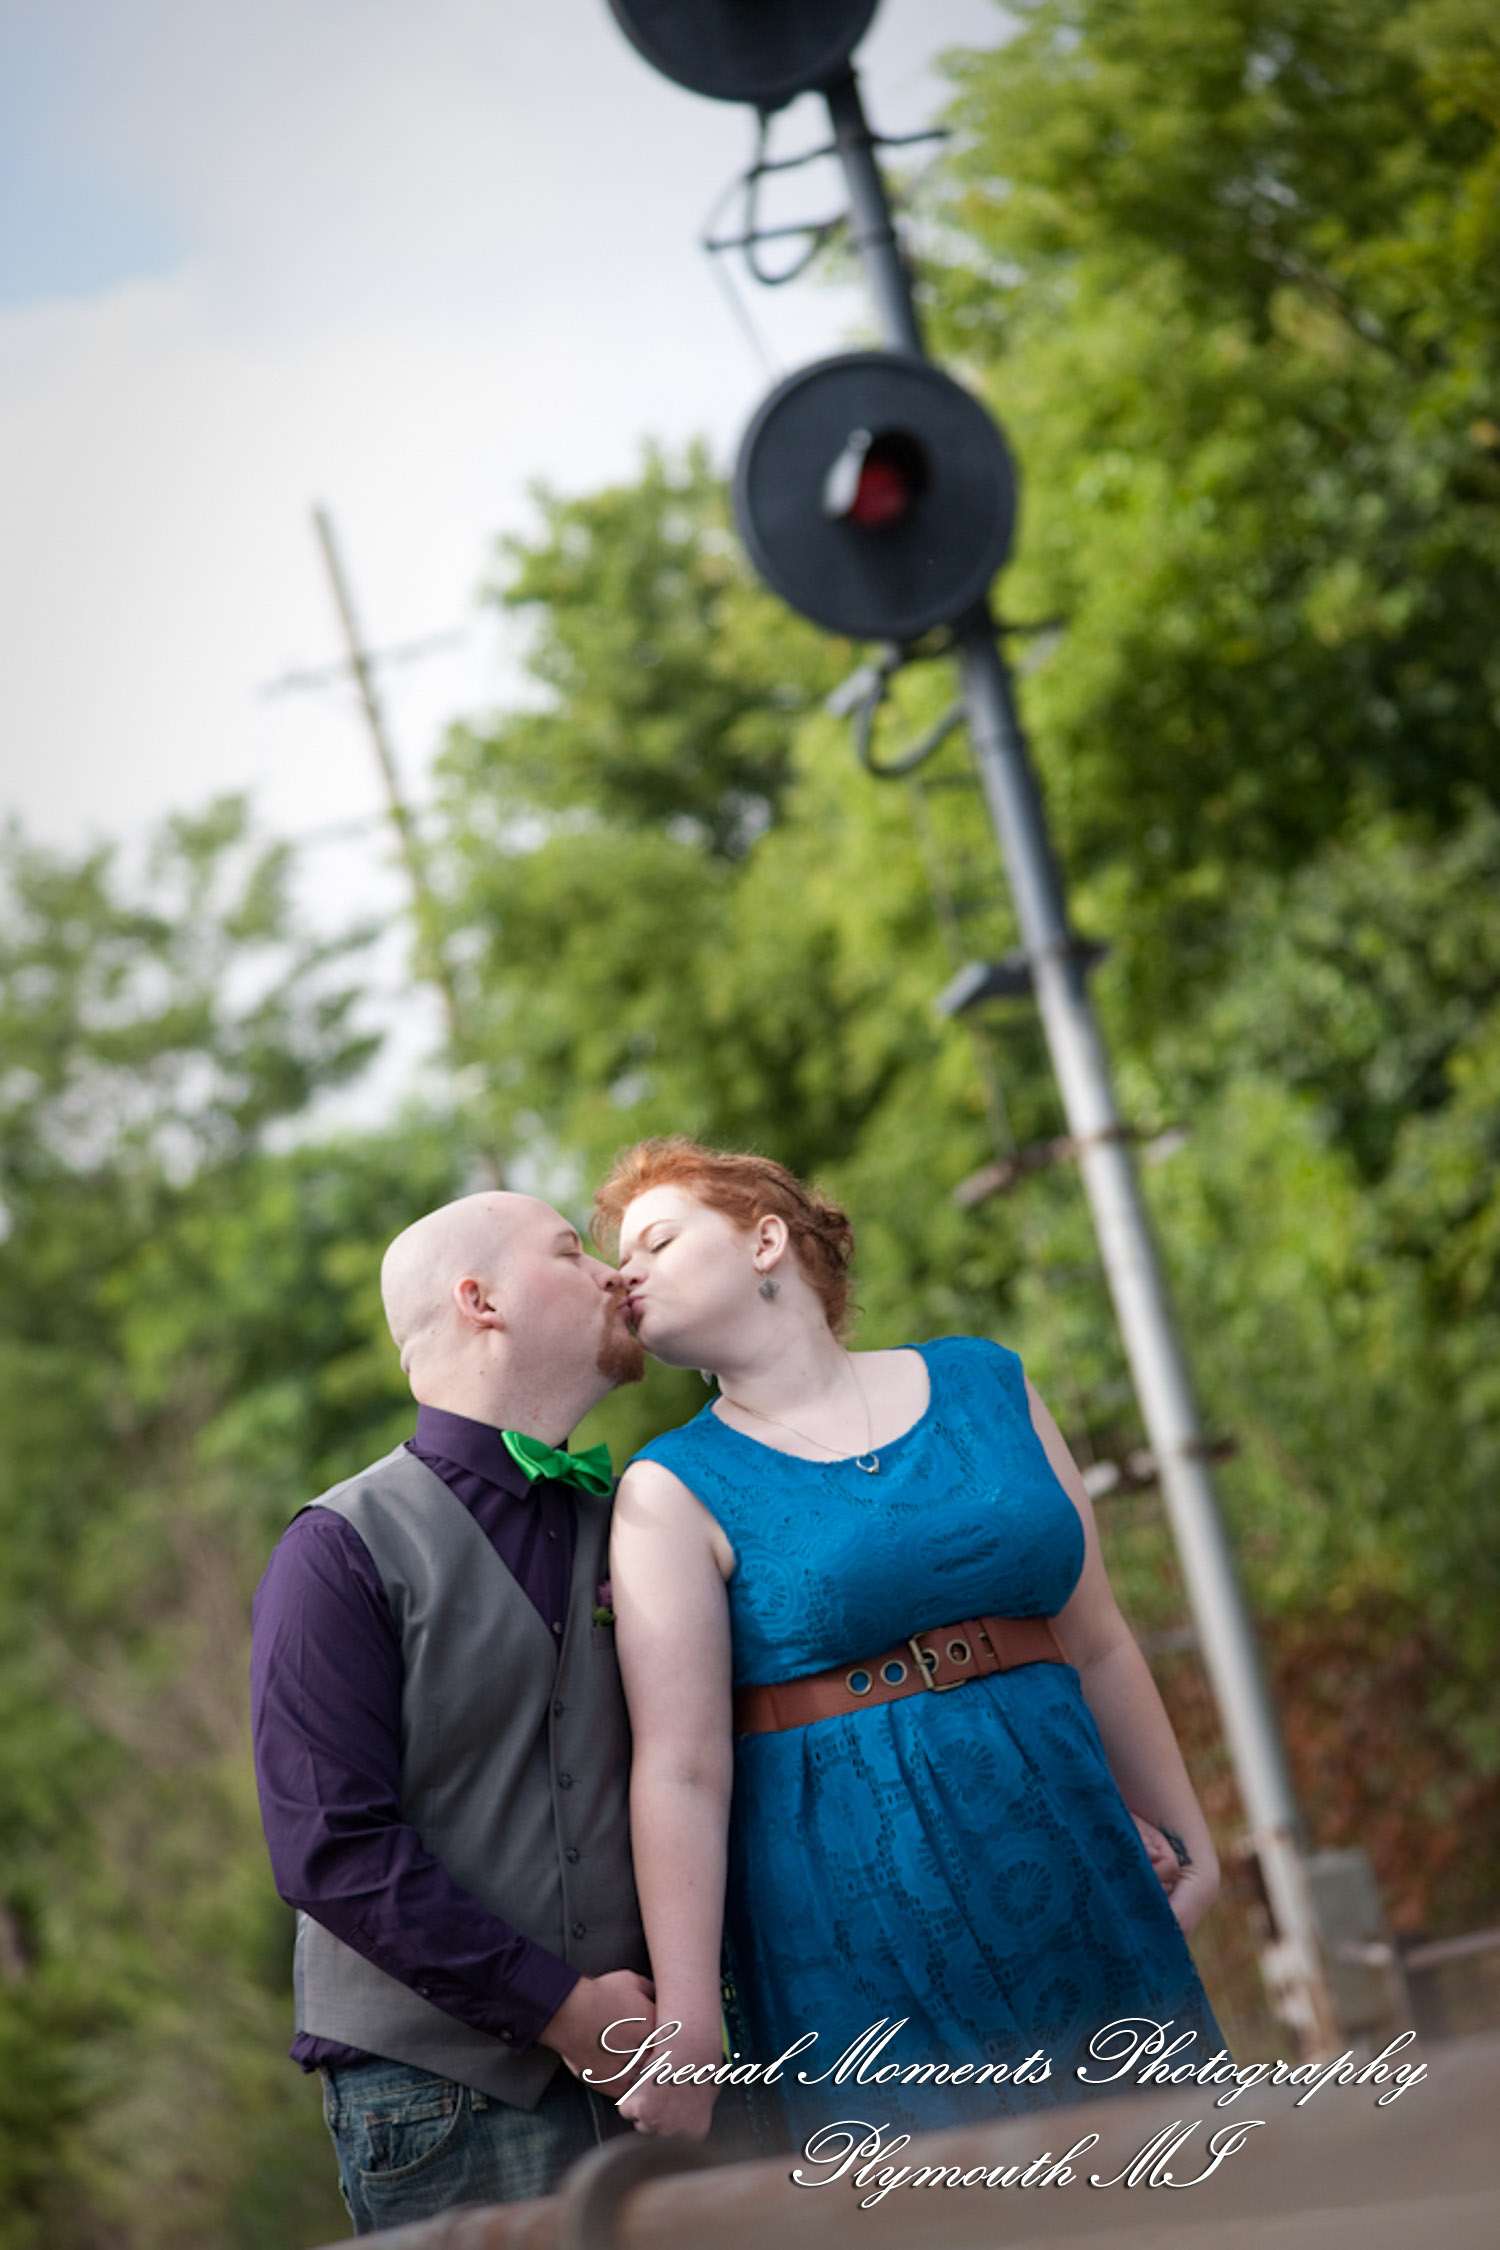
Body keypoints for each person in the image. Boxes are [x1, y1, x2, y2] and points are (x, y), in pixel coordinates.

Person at [593, 1137, 1225, 2152]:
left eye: (657, 1240)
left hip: (1074, 1848)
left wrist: (1192, 1838)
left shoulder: (989, 1383)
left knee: (1178, 2180)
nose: (628, 1272)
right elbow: (681, 1768)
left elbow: (1096, 1637)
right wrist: (689, 2018)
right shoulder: (666, 1490)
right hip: (856, 1909)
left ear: (765, 1240)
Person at [251, 1191, 657, 2234]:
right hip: (441, 2107)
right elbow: (331, 1847)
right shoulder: (336, 1550)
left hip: (666, 2084)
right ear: (481, 1301)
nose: (615, 1274)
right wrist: (568, 2014)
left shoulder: (644, 1520)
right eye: (573, 1250)